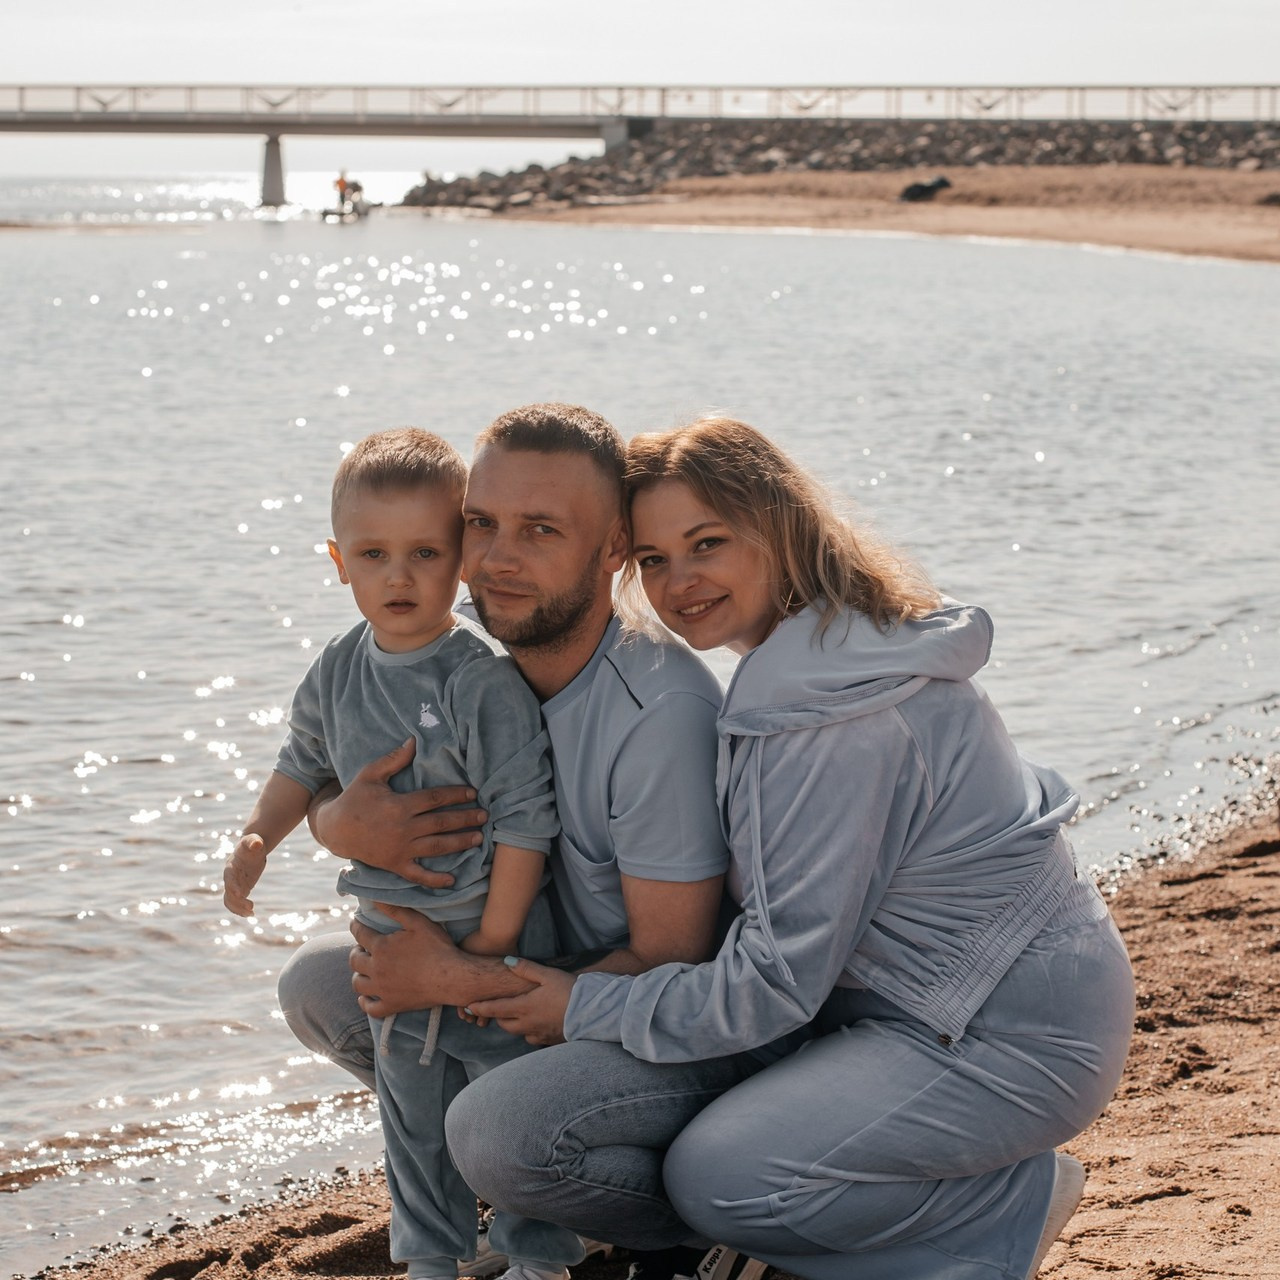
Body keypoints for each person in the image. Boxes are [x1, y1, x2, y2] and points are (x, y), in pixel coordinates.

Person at [453, 417, 1137, 1280]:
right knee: (699, 1155)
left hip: (1001, 1029)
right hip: (898, 1006)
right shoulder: (818, 655)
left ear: (779, 528)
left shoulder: (829, 718)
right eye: (656, 559)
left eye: (708, 544)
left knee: (725, 1176)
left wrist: (580, 1006)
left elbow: (776, 980)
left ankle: (1001, 1206)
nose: (679, 582)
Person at [276, 405, 747, 1280]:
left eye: (540, 530)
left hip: (645, 1031)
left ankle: (679, 1227)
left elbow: (674, 958)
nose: (496, 560)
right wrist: (333, 819)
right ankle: (549, 1198)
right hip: (523, 979)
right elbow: (326, 752)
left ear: (613, 549)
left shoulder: (661, 714)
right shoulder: (465, 635)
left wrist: (460, 979)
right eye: (481, 524)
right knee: (319, 988)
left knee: (493, 1130)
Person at [223, 427, 576, 1280]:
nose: (399, 576)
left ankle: (539, 1258)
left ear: (460, 559)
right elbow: (303, 762)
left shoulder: (476, 680)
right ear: (339, 562)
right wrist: (258, 835)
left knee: (504, 1108)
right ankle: (429, 1261)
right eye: (374, 554)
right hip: (388, 943)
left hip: (489, 949)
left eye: (425, 552)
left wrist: (489, 948)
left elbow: (528, 822)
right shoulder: (339, 670)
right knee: (411, 1120)